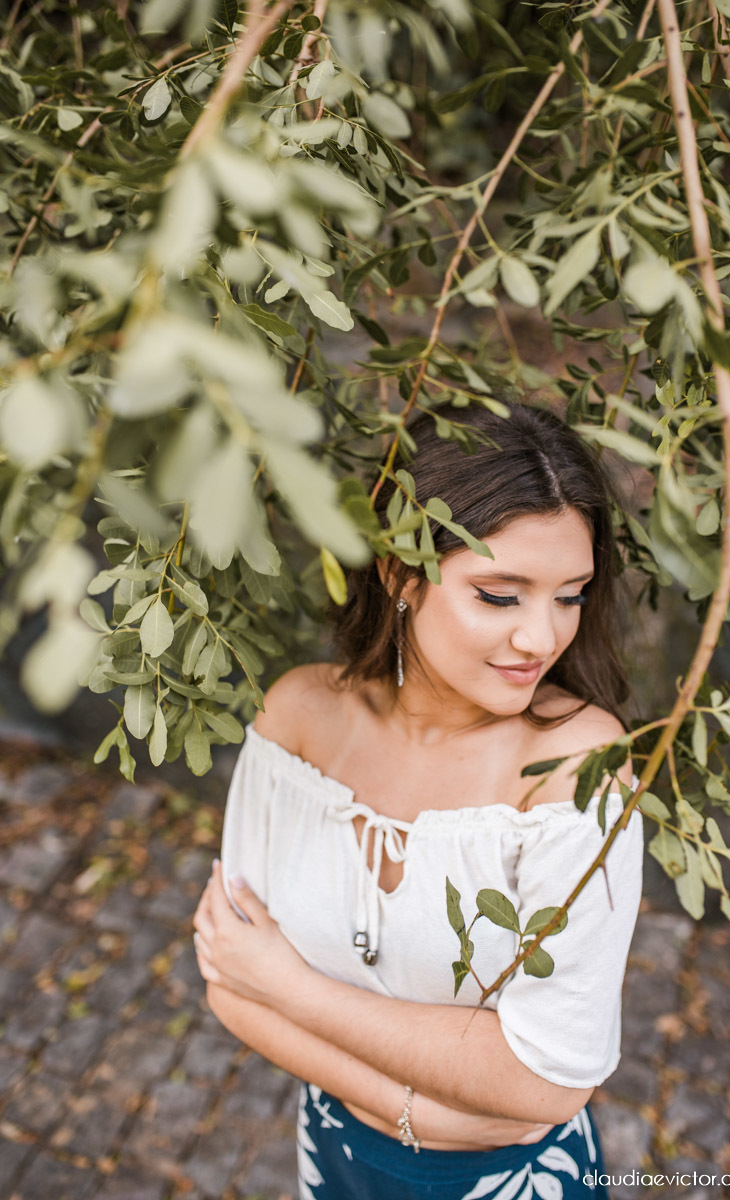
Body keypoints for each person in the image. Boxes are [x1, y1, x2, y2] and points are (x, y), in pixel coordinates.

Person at [192, 402, 644, 1200]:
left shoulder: (576, 767)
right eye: (499, 596)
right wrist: (432, 1115)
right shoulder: (297, 718)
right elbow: (229, 983)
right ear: (400, 572)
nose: (541, 638)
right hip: (333, 1158)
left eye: (569, 596)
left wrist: (290, 989)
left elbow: (545, 1084)